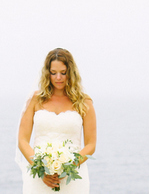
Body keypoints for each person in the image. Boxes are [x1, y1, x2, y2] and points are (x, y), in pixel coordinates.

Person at [17, 48, 96, 193]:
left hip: (73, 177)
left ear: (70, 72)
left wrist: (67, 166)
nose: (58, 77)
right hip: (40, 179)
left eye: (63, 73)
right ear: (47, 73)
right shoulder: (35, 100)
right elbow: (22, 140)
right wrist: (41, 170)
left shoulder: (84, 101)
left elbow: (91, 145)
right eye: (53, 73)